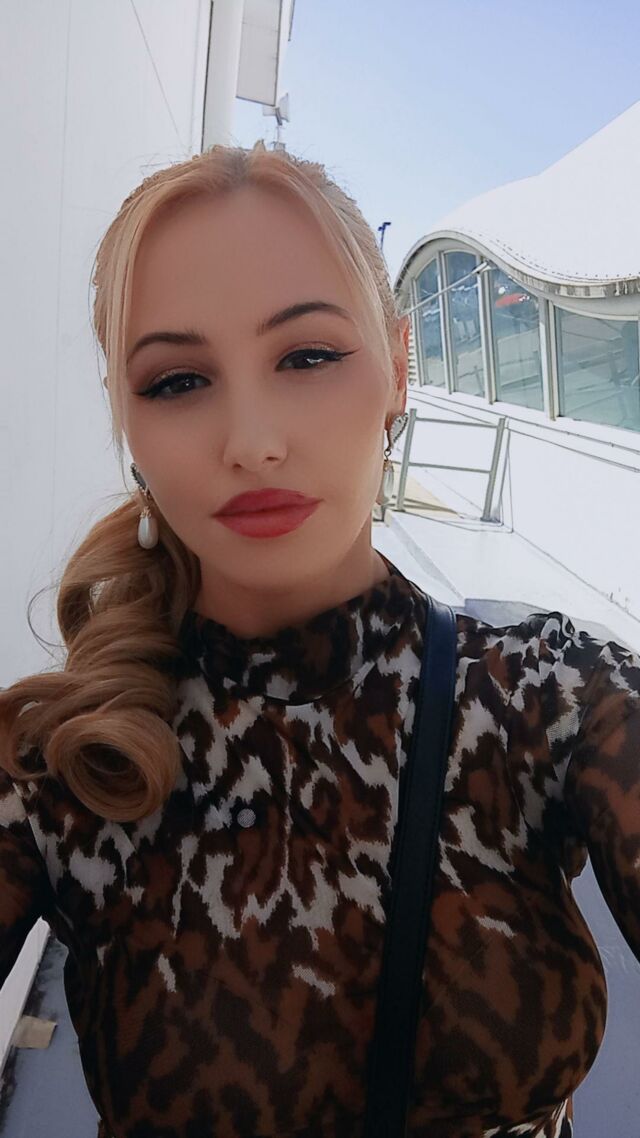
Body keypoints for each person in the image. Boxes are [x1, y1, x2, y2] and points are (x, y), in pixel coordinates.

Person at [0, 140, 639, 1138]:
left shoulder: (552, 696)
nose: (252, 441)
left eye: (306, 357)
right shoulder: (62, 768)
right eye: (177, 380)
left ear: (398, 369)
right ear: (127, 420)